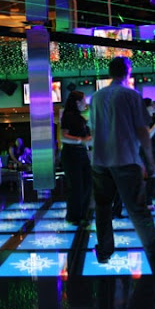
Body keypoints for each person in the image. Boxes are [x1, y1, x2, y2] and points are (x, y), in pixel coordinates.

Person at [88, 56, 155, 269]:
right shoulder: (131, 95)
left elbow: (93, 129)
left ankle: (104, 251)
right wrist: (150, 161)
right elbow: (142, 131)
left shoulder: (96, 97)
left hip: (100, 160)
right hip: (125, 158)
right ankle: (153, 246)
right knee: (137, 207)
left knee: (103, 208)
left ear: (110, 72)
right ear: (128, 72)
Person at [60, 91, 92, 225]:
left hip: (81, 154)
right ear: (77, 102)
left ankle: (82, 214)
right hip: (72, 154)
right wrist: (81, 140)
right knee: (76, 186)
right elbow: (63, 137)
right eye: (84, 100)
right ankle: (74, 216)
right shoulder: (68, 116)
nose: (85, 103)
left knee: (86, 184)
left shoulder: (80, 118)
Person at [143, 98, 155, 210]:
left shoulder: (149, 119)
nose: (154, 106)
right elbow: (147, 136)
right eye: (152, 104)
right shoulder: (144, 119)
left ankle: (147, 202)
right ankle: (147, 202)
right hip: (146, 151)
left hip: (150, 150)